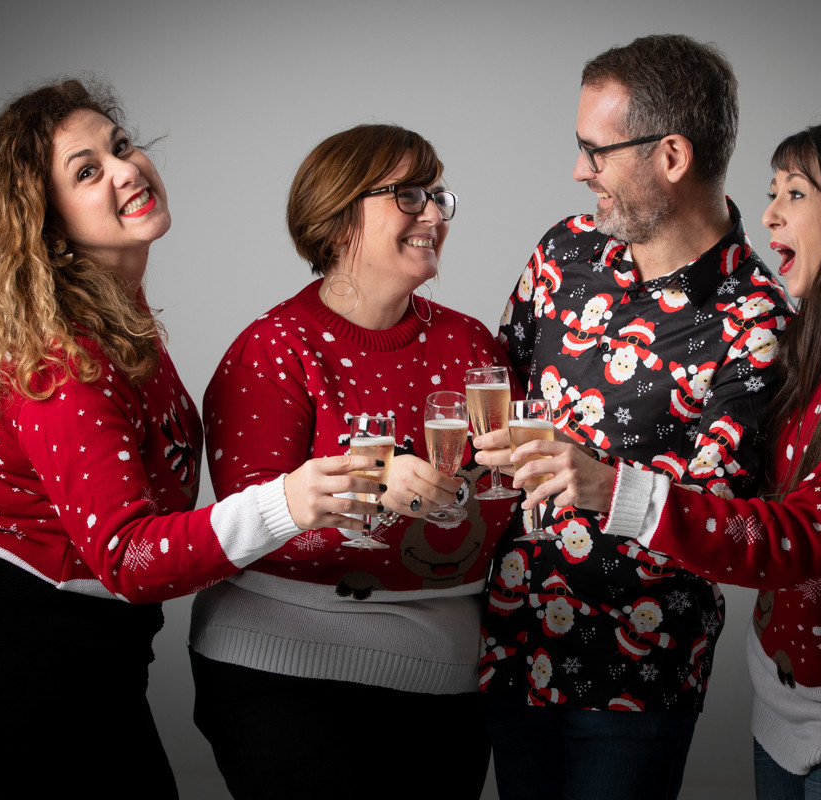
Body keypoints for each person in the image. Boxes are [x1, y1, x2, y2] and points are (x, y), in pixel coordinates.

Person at [0, 79, 388, 798]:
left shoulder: (116, 322)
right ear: (47, 222)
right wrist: (288, 502)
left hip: (99, 658)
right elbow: (128, 556)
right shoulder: (59, 359)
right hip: (20, 671)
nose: (126, 169)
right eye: (87, 171)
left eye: (121, 146)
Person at [558, 122, 821, 798]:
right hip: (785, 698)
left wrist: (618, 490)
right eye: (772, 192)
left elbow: (806, 535)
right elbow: (754, 491)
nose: (769, 215)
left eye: (795, 193)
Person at [473, 34, 794, 800]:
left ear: (672, 156)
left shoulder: (757, 322)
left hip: (635, 673)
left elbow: (728, 522)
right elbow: (495, 395)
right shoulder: (564, 253)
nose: (579, 170)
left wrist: (605, 483)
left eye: (596, 150)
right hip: (513, 638)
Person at [187, 123, 515, 799]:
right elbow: (246, 528)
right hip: (286, 674)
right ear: (339, 220)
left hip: (446, 676)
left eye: (438, 196)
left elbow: (500, 503)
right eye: (409, 195)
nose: (434, 214)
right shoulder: (271, 349)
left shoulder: (471, 344)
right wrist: (365, 489)